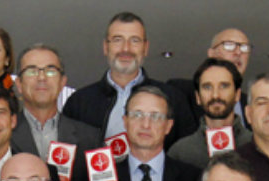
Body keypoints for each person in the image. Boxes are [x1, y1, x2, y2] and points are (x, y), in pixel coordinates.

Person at [62, 12, 189, 146]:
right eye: (117, 40)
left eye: (135, 40)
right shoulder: (78, 103)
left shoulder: (173, 99)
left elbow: (185, 156)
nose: (126, 49)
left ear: (145, 48)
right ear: (106, 47)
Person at [11, 44, 102, 160]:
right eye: (32, 71)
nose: (42, 78)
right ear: (19, 84)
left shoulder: (90, 138)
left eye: (50, 71)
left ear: (62, 82)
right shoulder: (2, 133)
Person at [167, 57, 252, 171]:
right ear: (198, 97)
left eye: (224, 86)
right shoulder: (180, 152)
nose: (215, 95)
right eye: (207, 87)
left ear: (237, 95)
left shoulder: (256, 145)